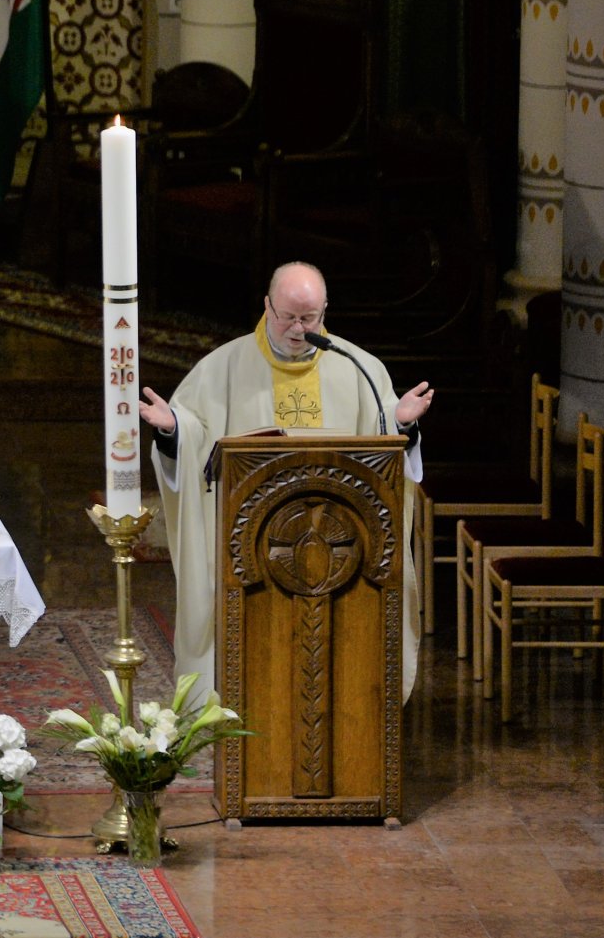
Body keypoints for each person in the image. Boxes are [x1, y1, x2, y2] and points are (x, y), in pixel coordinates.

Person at [138, 261, 434, 699]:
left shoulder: (360, 368)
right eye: (288, 316)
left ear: (325, 311)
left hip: (337, 551)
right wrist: (174, 430)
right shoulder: (224, 367)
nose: (298, 329)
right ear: (267, 306)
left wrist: (401, 424)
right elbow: (195, 434)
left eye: (309, 318)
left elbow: (382, 439)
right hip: (251, 555)